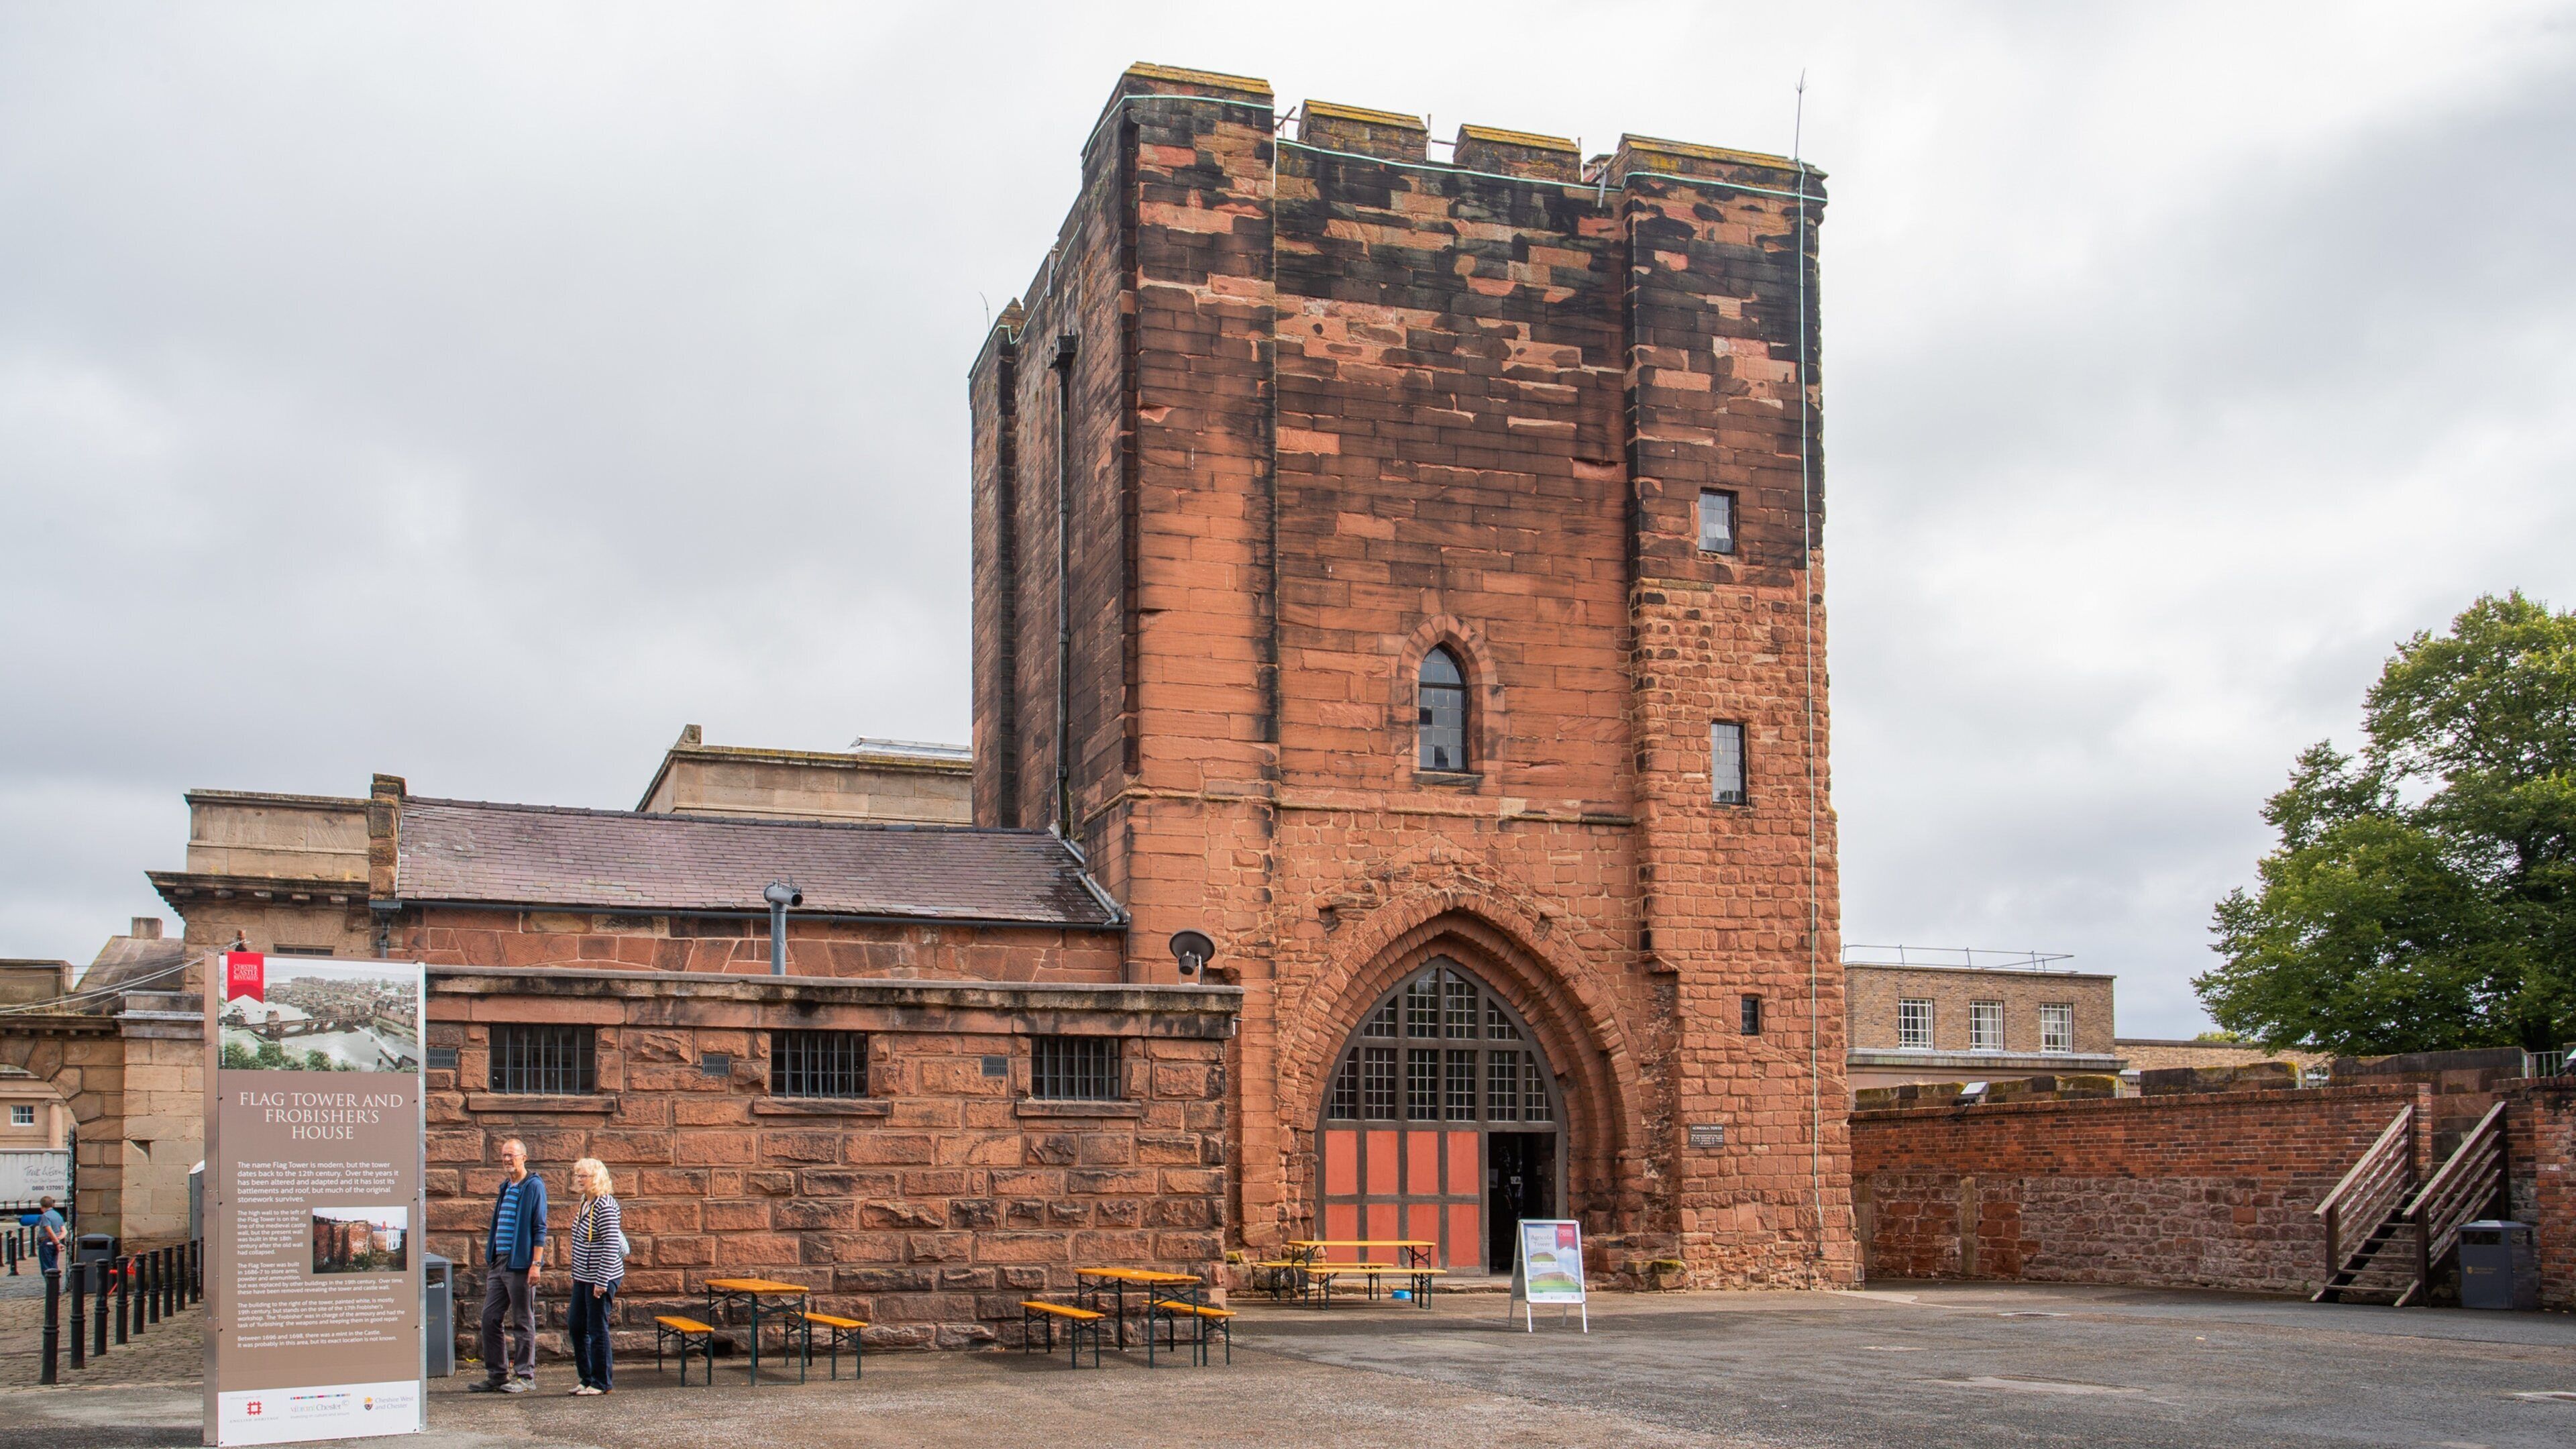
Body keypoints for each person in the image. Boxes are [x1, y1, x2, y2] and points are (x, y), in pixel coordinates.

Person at [468, 1139, 547, 1393]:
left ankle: (525, 1376)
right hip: (499, 1263)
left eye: (511, 1155)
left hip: (521, 1265)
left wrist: (536, 1264)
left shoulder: (533, 1186)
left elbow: (539, 1227)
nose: (506, 1160)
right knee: (489, 1318)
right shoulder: (505, 1187)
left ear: (524, 1157)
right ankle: (497, 1374)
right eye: (503, 1155)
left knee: (523, 1320)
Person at [564, 1157, 625, 1395]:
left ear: (596, 1178)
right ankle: (586, 1378)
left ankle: (602, 1382)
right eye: (578, 1175)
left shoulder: (605, 1205)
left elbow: (611, 1245)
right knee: (576, 1326)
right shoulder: (585, 1202)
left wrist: (601, 1282)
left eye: (584, 1176)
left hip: (600, 1277)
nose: (579, 1180)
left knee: (597, 1328)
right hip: (582, 1276)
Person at [32, 1195, 66, 1277]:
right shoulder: (57, 1215)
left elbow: (49, 1230)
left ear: (42, 1207)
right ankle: (55, 1287)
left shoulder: (45, 1216)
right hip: (55, 1243)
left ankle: (51, 1288)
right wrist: (59, 1239)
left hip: (47, 1243)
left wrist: (57, 1242)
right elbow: (65, 1231)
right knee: (54, 1265)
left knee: (47, 1268)